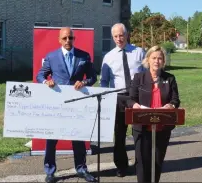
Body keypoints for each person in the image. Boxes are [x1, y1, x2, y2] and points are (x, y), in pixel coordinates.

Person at [36, 27, 97, 183]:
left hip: (76, 104)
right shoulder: (51, 57)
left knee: (78, 139)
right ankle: (50, 171)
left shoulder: (84, 56)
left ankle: (82, 169)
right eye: (64, 38)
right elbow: (40, 74)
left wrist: (84, 82)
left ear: (74, 38)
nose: (68, 41)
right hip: (57, 104)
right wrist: (46, 81)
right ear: (59, 39)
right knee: (52, 140)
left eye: (70, 38)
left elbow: (92, 77)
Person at [127, 45, 180, 183]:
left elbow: (175, 99)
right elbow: (130, 98)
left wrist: (171, 105)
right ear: (148, 60)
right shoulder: (139, 78)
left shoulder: (170, 78)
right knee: (142, 162)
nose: (157, 61)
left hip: (162, 127)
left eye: (160, 58)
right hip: (142, 127)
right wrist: (134, 105)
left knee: (157, 162)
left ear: (163, 61)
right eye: (154, 58)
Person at [100, 23, 145, 177]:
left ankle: (141, 164)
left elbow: (146, 76)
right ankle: (121, 166)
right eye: (116, 36)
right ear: (113, 38)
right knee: (119, 135)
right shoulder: (108, 57)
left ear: (127, 35)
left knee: (139, 133)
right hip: (118, 99)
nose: (119, 39)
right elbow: (104, 81)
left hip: (137, 97)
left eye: (121, 35)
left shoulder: (139, 52)